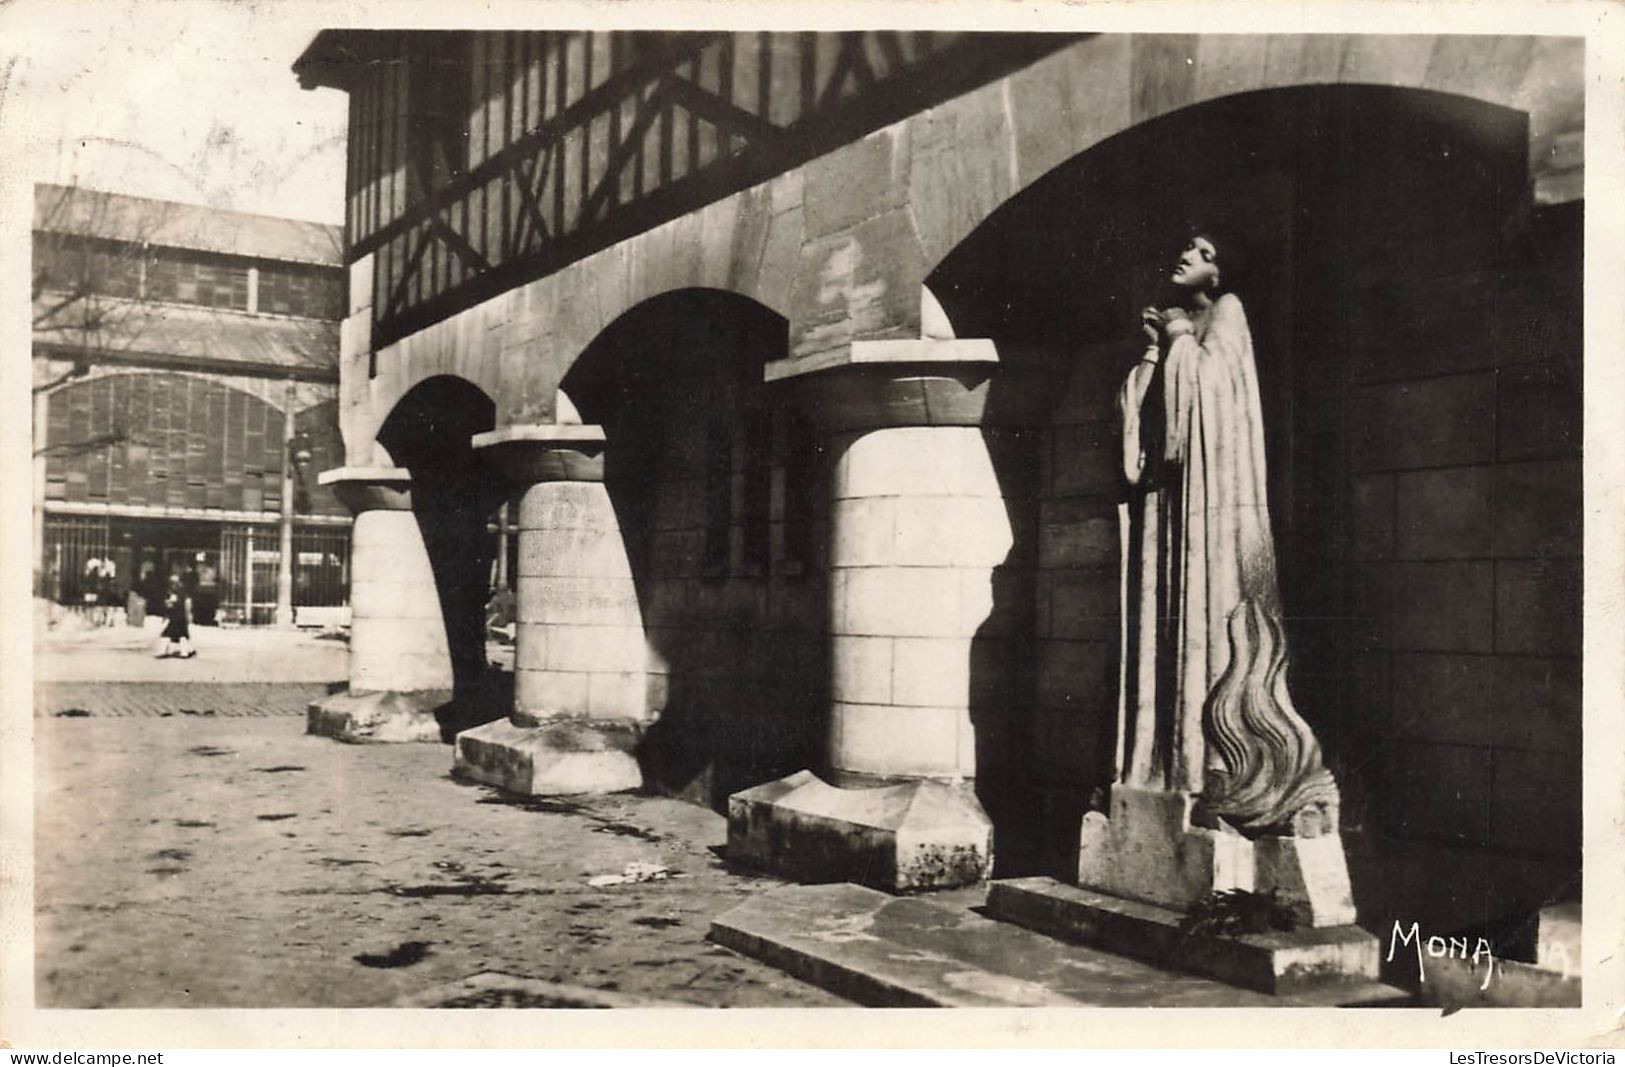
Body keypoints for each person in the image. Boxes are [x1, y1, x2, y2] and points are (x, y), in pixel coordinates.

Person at [1116, 230, 1333, 832]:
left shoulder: (1229, 314)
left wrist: (1179, 336)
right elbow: (1146, 425)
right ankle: (1162, 768)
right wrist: (1155, 353)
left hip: (1213, 506)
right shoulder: (1182, 326)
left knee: (1216, 630)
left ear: (1222, 269)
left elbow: (1208, 403)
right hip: (1170, 506)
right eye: (1184, 247)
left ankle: (1210, 766)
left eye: (1204, 251)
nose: (1185, 255)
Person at [157, 573, 196, 659]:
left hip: (179, 616)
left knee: (170, 634)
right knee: (181, 634)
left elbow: (187, 603)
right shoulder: (173, 592)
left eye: (173, 583)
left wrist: (188, 615)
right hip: (175, 616)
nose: (172, 585)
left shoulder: (180, 592)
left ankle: (164, 651)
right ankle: (186, 651)